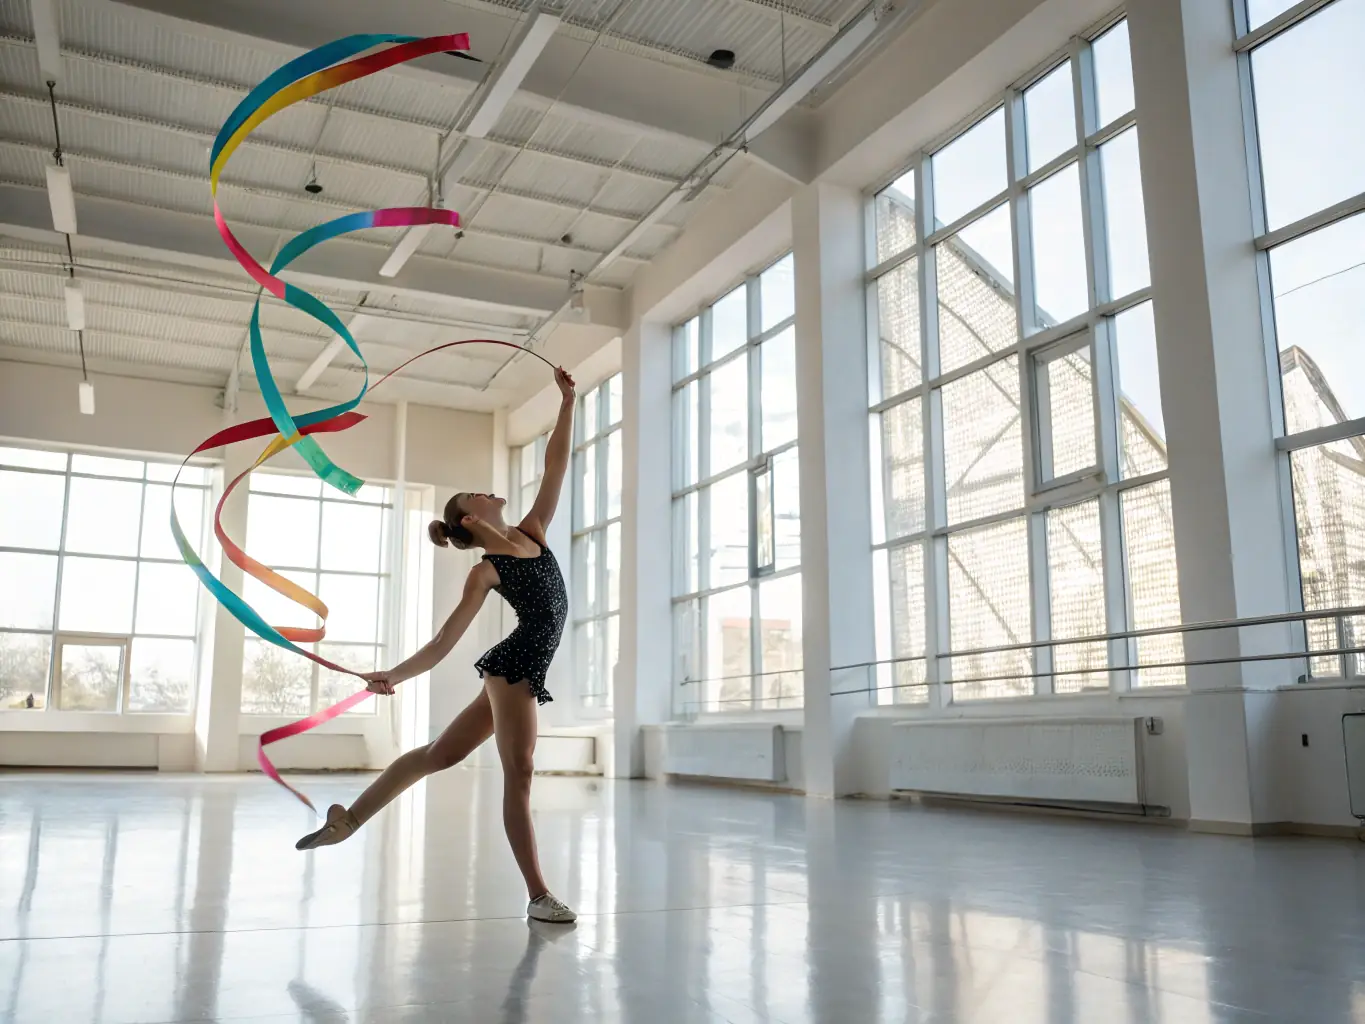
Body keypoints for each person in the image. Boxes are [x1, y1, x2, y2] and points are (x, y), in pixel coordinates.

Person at [295, 367, 578, 925]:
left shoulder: (533, 531)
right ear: (470, 516)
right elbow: (444, 640)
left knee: (440, 755)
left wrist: (567, 401)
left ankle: (347, 820)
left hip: (515, 669)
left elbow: (556, 464)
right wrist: (395, 675)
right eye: (479, 493)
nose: (491, 490)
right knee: (520, 772)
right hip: (515, 670)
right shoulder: (486, 570)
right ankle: (538, 894)